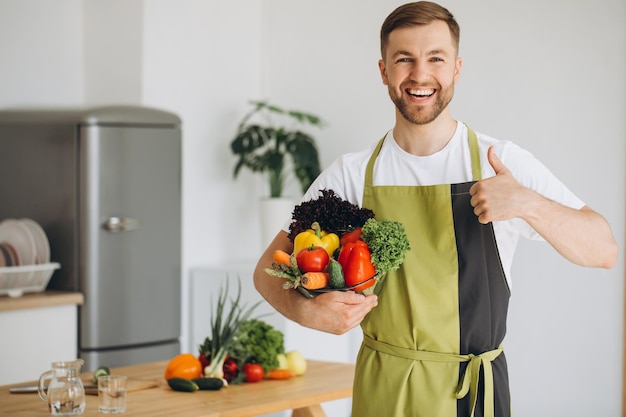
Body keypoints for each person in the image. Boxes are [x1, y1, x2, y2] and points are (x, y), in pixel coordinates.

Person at [253, 2, 618, 416]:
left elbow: (603, 250)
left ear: (457, 69)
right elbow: (267, 270)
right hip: (383, 391)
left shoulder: (498, 162)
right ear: (383, 70)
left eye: (436, 59)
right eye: (404, 59)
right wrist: (306, 311)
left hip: (473, 396)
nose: (420, 75)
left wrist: (528, 203)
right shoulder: (351, 176)